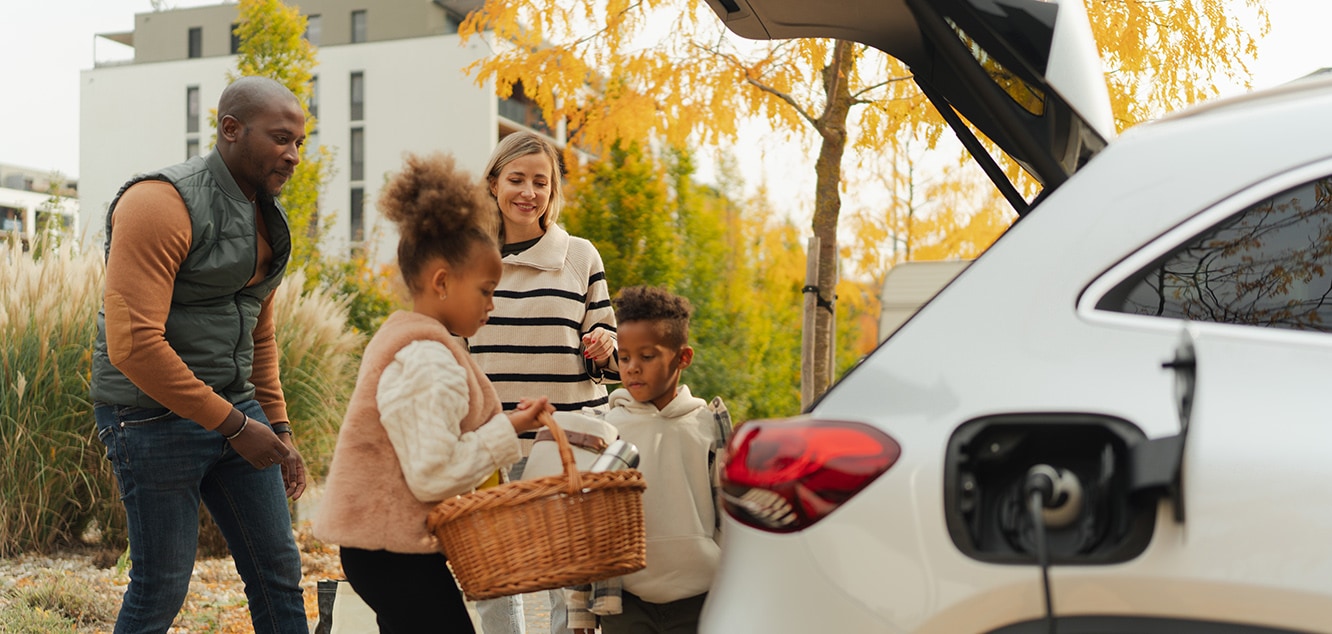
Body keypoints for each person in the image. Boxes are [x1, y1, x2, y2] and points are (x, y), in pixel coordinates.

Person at [90, 75, 309, 633]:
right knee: (161, 586)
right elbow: (133, 346)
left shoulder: (268, 214)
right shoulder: (157, 203)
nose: (293, 155)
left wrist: (277, 426)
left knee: (278, 573)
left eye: (300, 143)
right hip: (148, 416)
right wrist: (237, 425)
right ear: (231, 130)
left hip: (238, 411)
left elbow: (260, 332)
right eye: (281, 139)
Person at [312, 153, 552, 634]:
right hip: (390, 548)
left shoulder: (416, 342)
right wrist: (505, 430)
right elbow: (433, 474)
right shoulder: (427, 359)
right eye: (486, 290)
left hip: (385, 546)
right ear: (443, 282)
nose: (491, 304)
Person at [468, 131, 620, 634]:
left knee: (571, 582)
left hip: (568, 440)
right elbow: (450, 349)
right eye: (516, 179)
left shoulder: (579, 256)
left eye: (541, 181)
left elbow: (613, 353)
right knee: (496, 576)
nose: (528, 192)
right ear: (493, 184)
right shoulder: (469, 257)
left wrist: (603, 342)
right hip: (494, 440)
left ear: (553, 190)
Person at [568, 286, 728, 634]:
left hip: (700, 602)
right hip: (625, 604)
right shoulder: (608, 431)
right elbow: (588, 528)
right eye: (624, 358)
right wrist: (580, 616)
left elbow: (730, 519)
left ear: (683, 358)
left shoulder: (708, 427)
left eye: (647, 356)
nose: (632, 368)